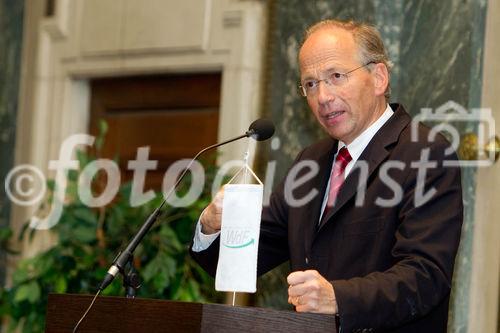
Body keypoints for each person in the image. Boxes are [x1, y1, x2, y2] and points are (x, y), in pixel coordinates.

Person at [190, 19, 463, 333]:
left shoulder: (424, 153)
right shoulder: (311, 162)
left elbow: (425, 276)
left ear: (378, 78)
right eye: (310, 84)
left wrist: (339, 299)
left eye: (336, 76)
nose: (322, 97)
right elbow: (250, 254)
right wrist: (211, 227)